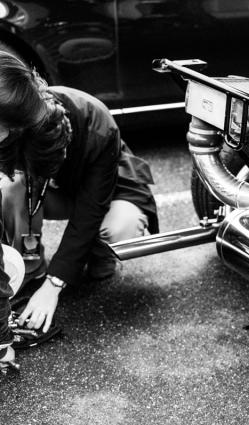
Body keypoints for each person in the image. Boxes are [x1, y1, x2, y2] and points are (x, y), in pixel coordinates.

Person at [0, 51, 158, 335]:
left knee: (118, 229)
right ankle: (31, 266)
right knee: (10, 188)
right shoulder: (17, 117)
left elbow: (91, 207)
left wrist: (54, 284)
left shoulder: (97, 123)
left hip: (110, 191)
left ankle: (98, 253)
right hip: (55, 189)